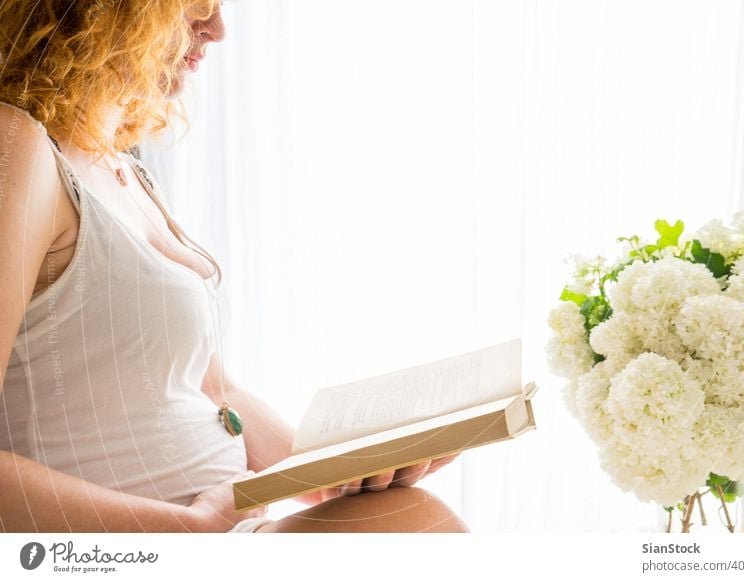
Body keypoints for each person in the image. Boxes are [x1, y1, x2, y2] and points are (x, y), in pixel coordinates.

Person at [0, 0, 468, 533]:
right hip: (126, 555)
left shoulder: (123, 171)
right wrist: (187, 530)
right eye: (197, 6)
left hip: (217, 535)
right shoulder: (18, 145)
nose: (218, 30)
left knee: (418, 521)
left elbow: (218, 393)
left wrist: (350, 465)